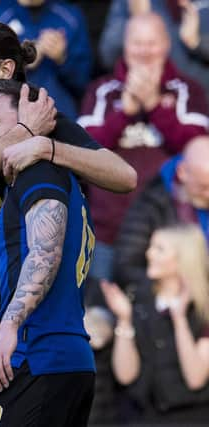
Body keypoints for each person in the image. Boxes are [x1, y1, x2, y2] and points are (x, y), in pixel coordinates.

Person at [0, 18, 136, 427]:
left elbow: (124, 176)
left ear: (4, 71)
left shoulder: (42, 118)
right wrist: (19, 135)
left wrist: (48, 145)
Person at [0, 78, 96, 426]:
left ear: (30, 123)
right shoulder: (63, 178)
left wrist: (8, 328)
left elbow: (46, 251)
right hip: (69, 359)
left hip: (37, 357)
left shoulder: (37, 169)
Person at [78, 11, 208, 280]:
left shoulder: (188, 90)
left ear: (167, 44)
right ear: (125, 46)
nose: (144, 52)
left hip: (170, 233)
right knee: (102, 315)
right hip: (105, 234)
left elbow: (199, 149)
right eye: (137, 43)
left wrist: (154, 107)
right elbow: (82, 151)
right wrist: (123, 114)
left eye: (152, 43)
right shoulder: (102, 91)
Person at [101, 223, 209, 423]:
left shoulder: (203, 310)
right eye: (151, 247)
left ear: (183, 259)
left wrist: (179, 318)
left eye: (159, 249)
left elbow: (195, 378)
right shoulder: (138, 300)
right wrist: (124, 320)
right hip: (142, 417)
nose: (149, 254)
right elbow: (125, 376)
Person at [115, 135, 209, 288]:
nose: (208, 194)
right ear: (183, 172)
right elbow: (127, 264)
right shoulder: (152, 203)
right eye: (203, 187)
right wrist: (165, 290)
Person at [0, 0, 93, 119]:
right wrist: (21, 62)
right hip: (7, 115)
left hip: (59, 116)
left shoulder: (70, 16)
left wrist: (62, 59)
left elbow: (83, 82)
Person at [99, 0, 209, 100]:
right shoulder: (134, 2)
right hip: (141, 101)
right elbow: (108, 57)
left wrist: (197, 43)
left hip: (201, 100)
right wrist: (138, 19)